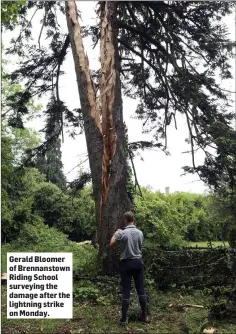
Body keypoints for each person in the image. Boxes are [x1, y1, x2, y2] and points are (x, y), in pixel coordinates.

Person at [110, 211, 149, 325]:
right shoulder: (140, 233)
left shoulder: (122, 233)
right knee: (141, 290)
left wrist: (115, 233)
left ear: (125, 220)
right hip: (138, 262)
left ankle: (123, 319)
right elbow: (140, 246)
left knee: (126, 291)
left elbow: (112, 244)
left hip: (126, 264)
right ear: (133, 220)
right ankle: (145, 316)